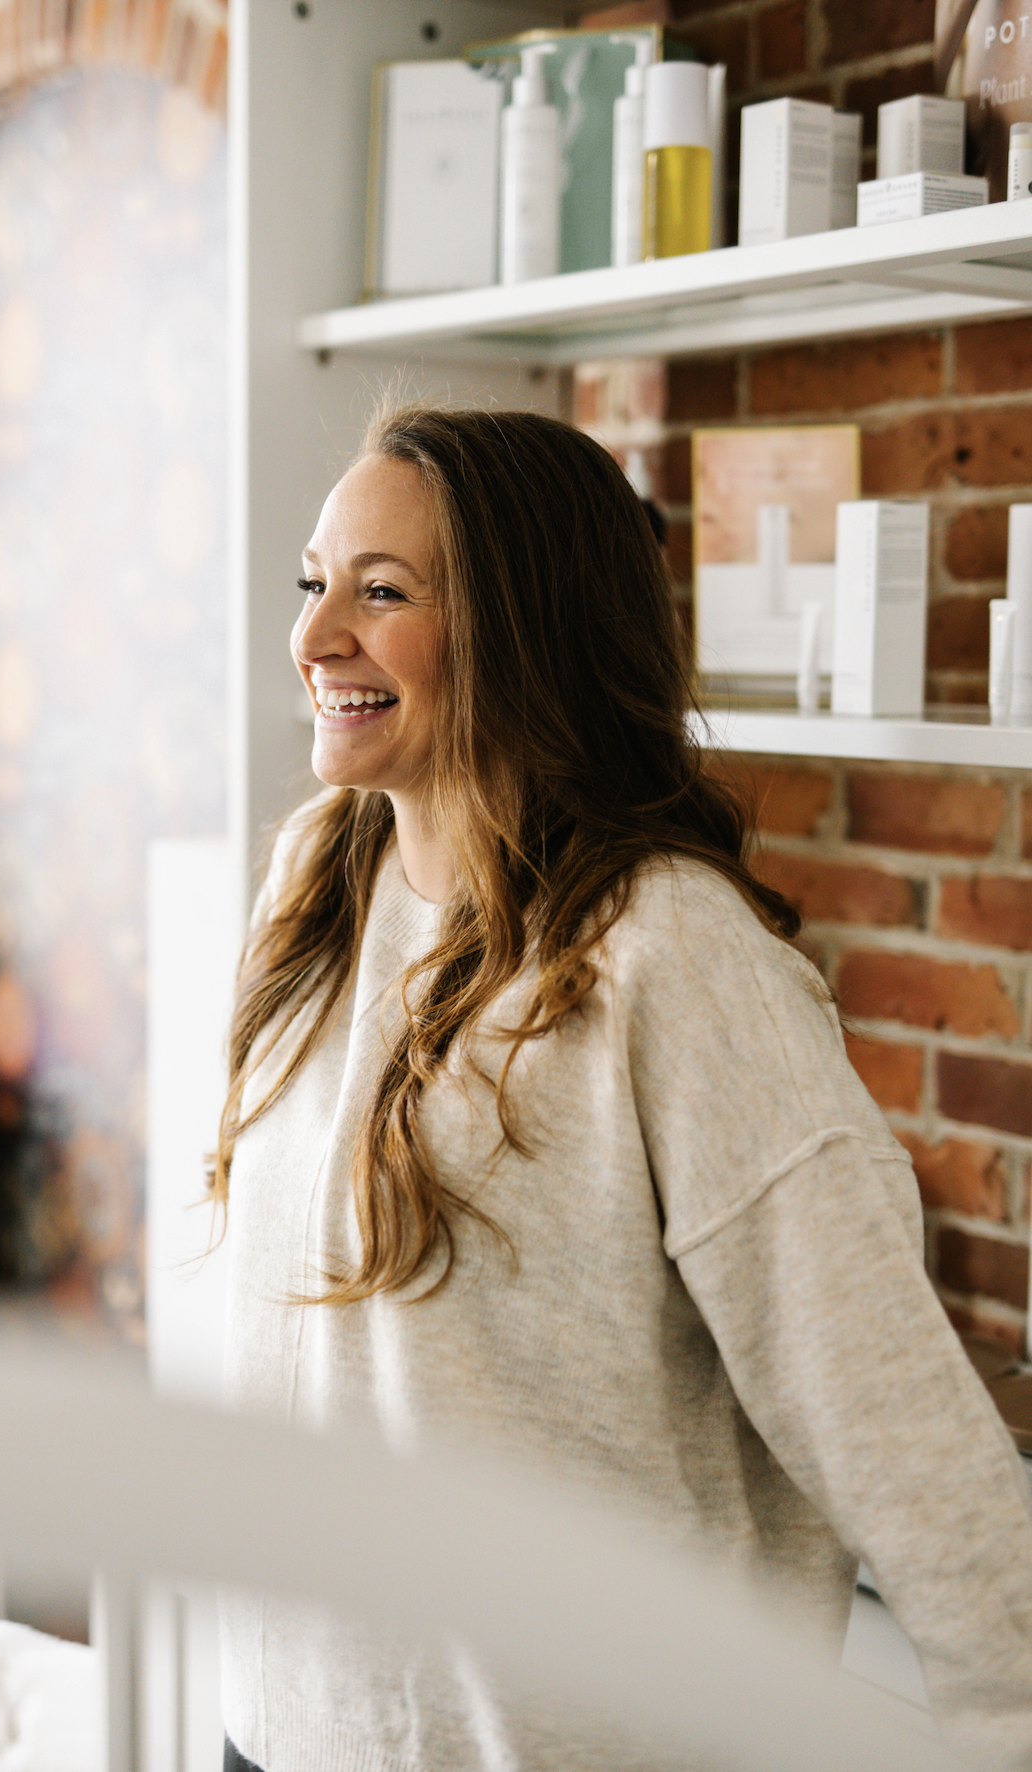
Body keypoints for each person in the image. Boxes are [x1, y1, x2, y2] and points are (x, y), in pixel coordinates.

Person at [213, 404, 1032, 1772]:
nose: (313, 638)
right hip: (283, 1729)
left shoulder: (672, 958)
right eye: (315, 583)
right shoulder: (317, 887)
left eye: (383, 592)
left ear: (524, 630)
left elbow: (902, 1431)